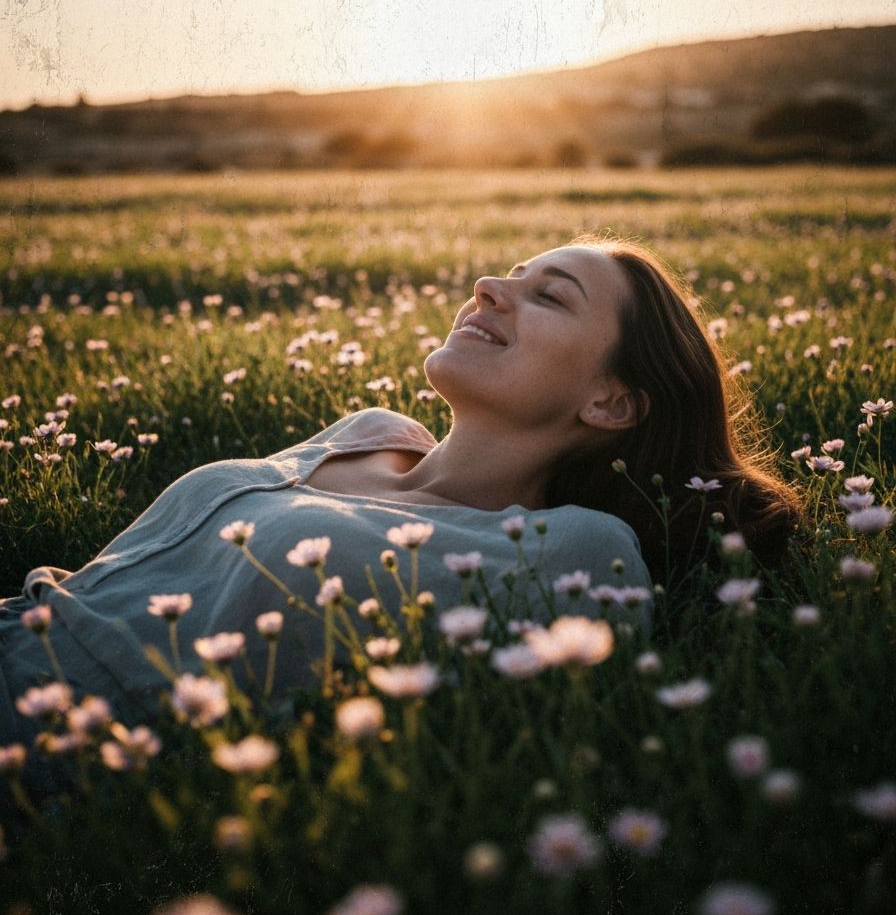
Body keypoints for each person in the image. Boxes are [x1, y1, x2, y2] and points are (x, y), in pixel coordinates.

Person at [0, 238, 801, 745]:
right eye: (510, 272)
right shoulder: (368, 432)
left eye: (550, 295)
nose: (488, 284)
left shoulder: (577, 548)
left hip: (58, 739)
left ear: (611, 402)